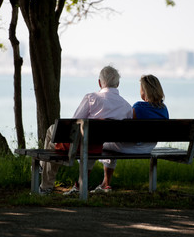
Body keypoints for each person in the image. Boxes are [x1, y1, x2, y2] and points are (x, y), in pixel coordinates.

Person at [40, 65, 133, 195]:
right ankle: (44, 171)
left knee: (52, 131)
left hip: (81, 146)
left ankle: (46, 183)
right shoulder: (126, 106)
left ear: (100, 83)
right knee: (57, 136)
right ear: (117, 84)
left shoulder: (91, 98)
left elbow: (74, 122)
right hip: (100, 147)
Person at [89, 74, 169, 193]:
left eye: (141, 88)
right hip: (148, 148)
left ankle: (93, 184)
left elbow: (128, 130)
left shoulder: (138, 107)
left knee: (98, 144)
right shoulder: (164, 109)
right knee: (111, 145)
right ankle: (104, 184)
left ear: (144, 91)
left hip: (129, 147)